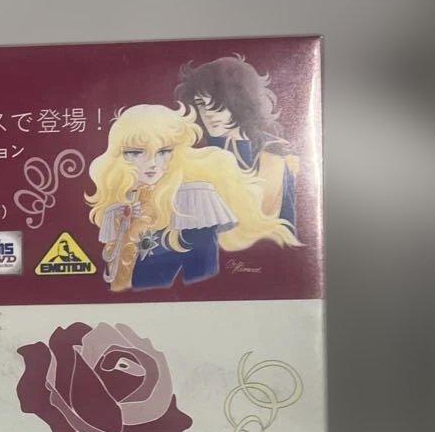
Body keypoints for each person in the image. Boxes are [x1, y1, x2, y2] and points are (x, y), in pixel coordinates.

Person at [85, 104, 298, 292]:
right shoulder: (121, 204)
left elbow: (202, 279)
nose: (152, 163)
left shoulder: (193, 202)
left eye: (163, 151)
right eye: (136, 152)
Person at [175, 54, 300, 231]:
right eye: (201, 103)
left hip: (269, 244)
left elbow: (289, 227)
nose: (209, 113)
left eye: (218, 103)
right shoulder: (193, 152)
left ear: (241, 101)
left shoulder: (277, 151)